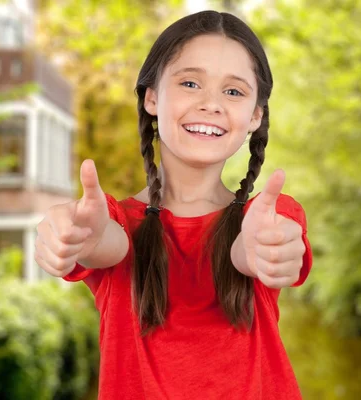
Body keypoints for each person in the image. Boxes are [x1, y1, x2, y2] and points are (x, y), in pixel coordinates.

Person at [35, 10, 313, 400]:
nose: (211, 104)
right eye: (190, 83)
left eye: (233, 91)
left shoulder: (267, 217)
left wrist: (267, 248)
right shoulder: (114, 222)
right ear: (152, 97)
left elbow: (250, 252)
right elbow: (105, 244)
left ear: (255, 115)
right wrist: (79, 234)